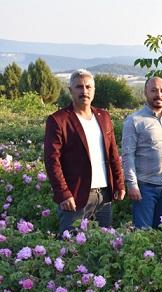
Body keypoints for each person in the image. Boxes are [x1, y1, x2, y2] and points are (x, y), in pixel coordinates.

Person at [44, 69, 125, 234]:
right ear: (70, 90)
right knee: (71, 248)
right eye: (79, 87)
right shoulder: (58, 120)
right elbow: (52, 161)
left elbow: (113, 153)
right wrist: (63, 194)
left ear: (94, 90)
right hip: (76, 196)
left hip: (104, 195)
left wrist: (119, 183)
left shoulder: (104, 117)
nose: (84, 91)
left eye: (88, 87)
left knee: (103, 248)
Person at [121, 77, 162, 229]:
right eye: (154, 90)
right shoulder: (134, 121)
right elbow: (128, 155)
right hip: (145, 188)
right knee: (143, 234)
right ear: (145, 93)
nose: (159, 94)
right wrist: (132, 184)